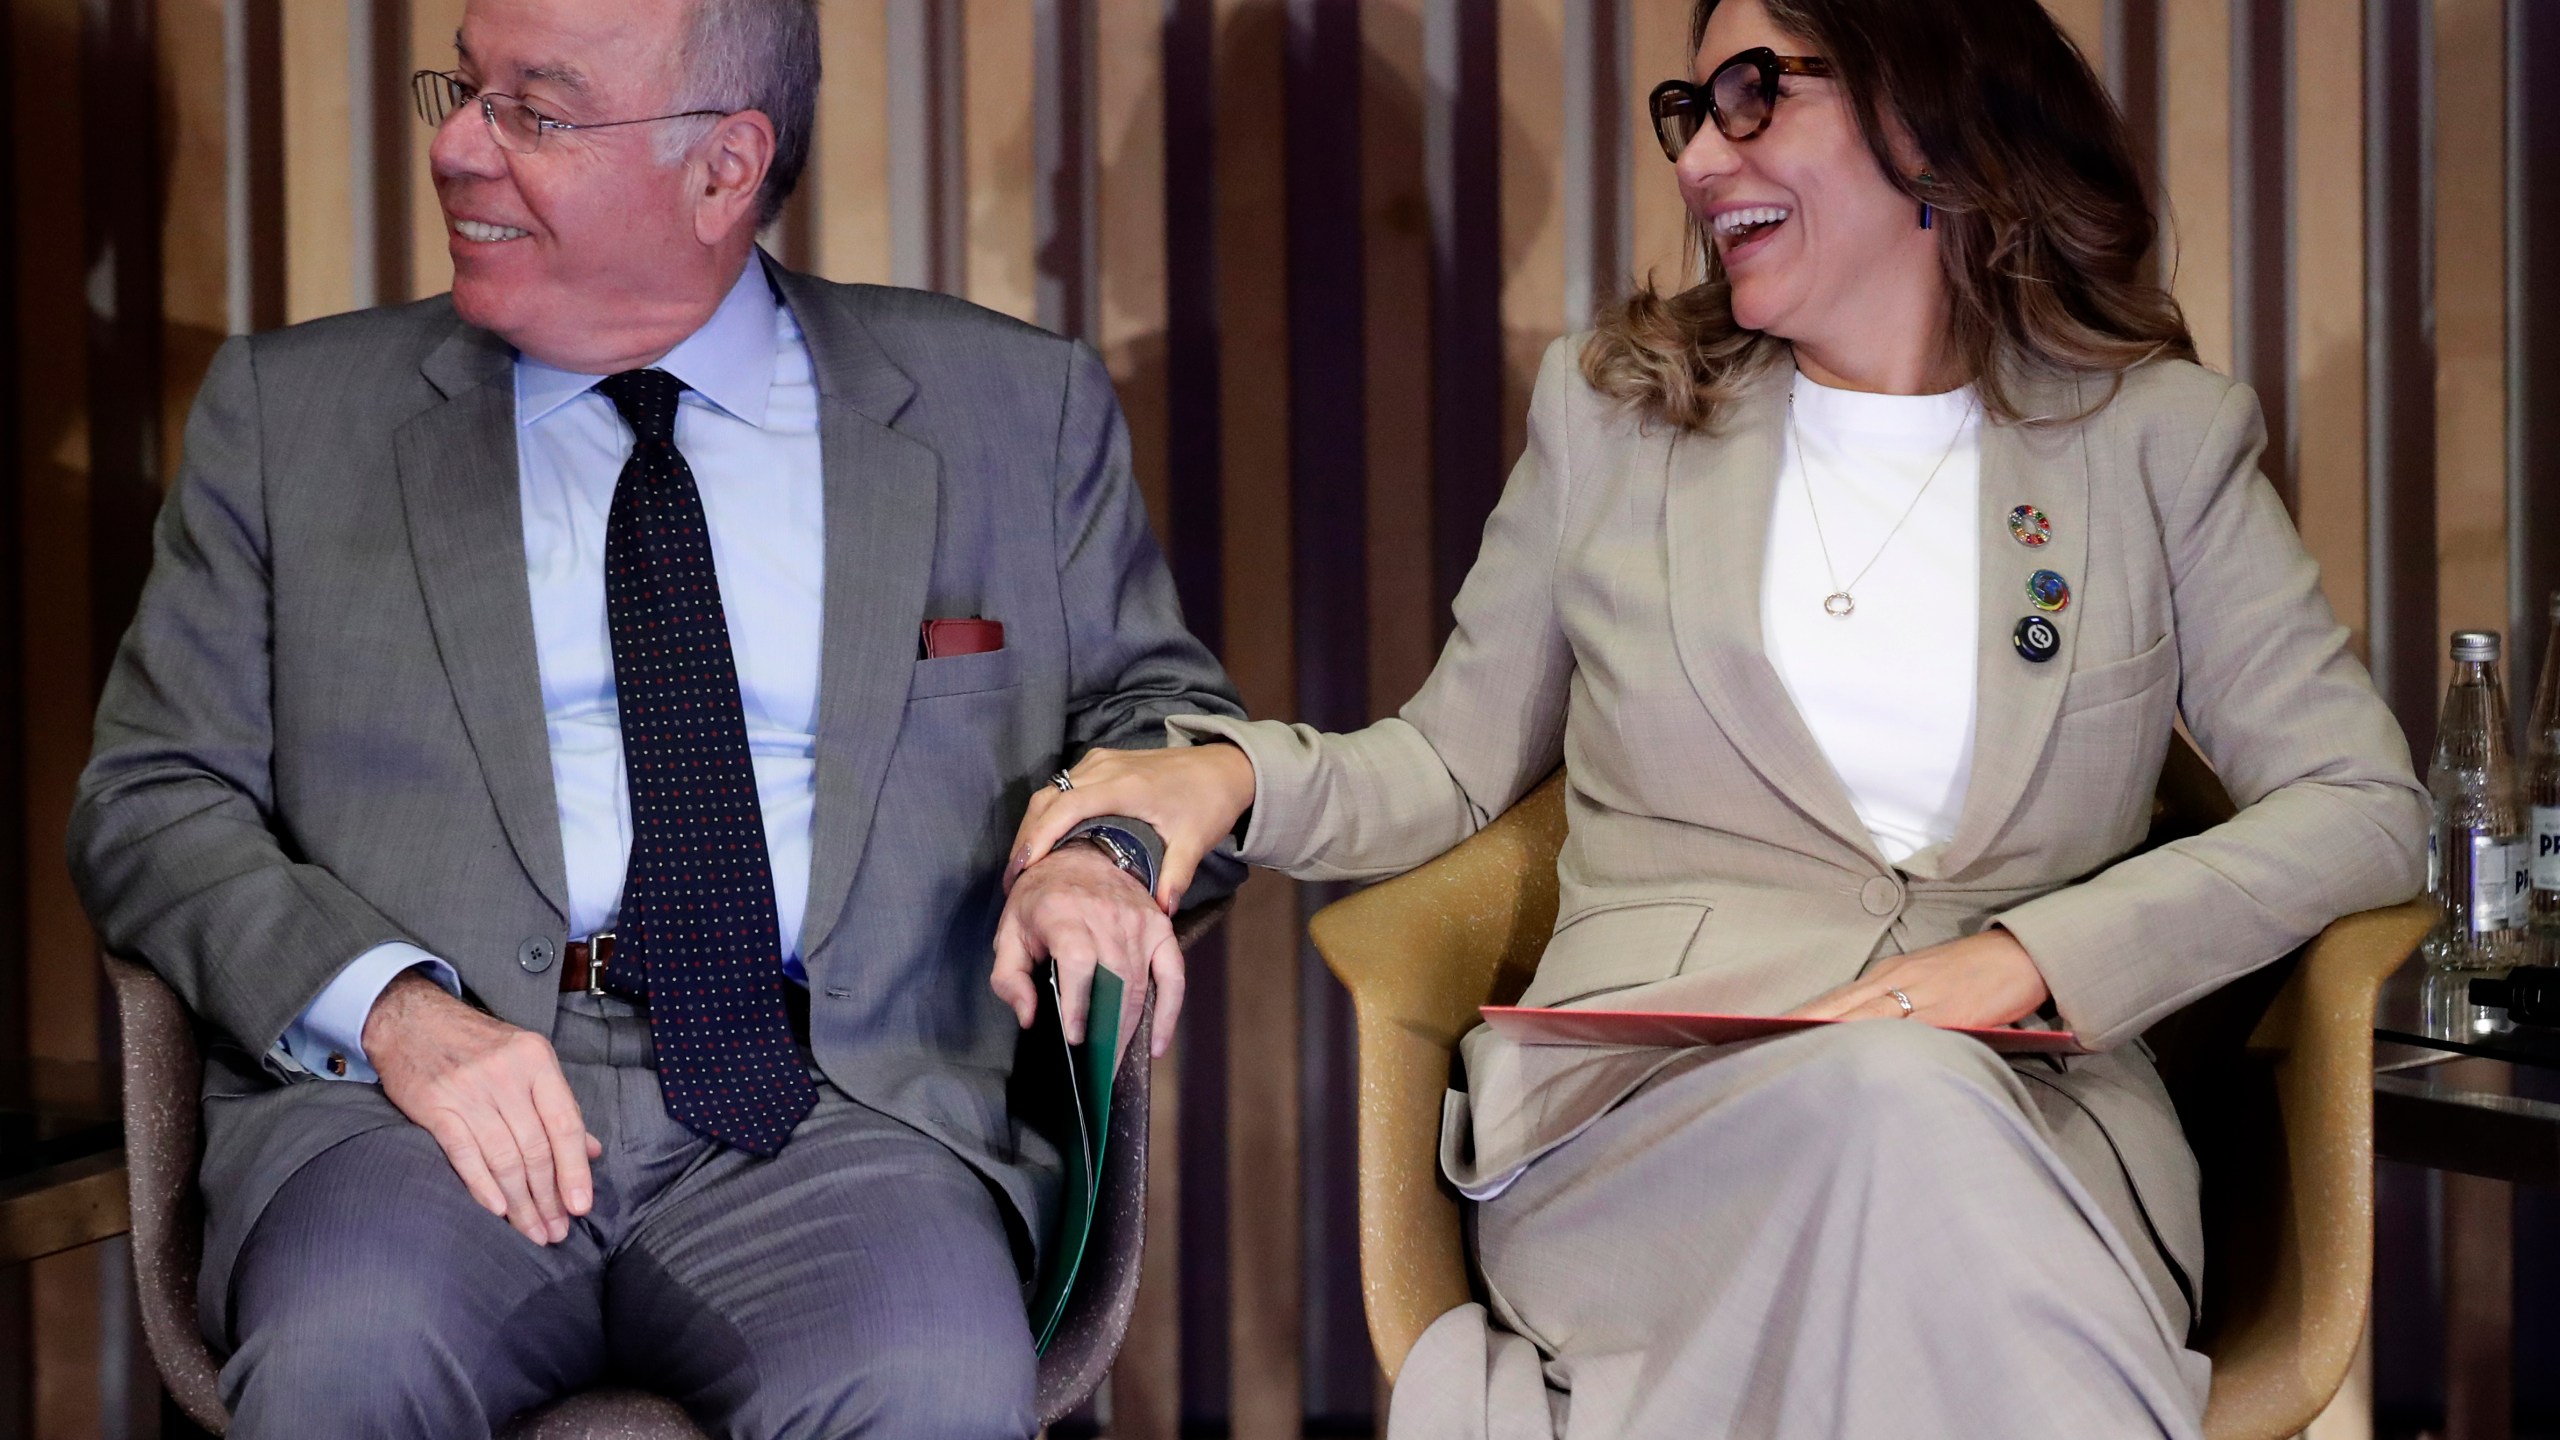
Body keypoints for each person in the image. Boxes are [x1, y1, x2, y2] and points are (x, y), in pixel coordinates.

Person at [1003, 0, 2427, 1434]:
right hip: (1646, 1123)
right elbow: (1444, 763)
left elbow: (2365, 807)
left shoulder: (2157, 442)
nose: (1697, 158)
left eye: (1756, 94)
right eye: (1691, 111)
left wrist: (2026, 958)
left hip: (2032, 1136)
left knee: (1912, 1121)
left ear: (1934, 114)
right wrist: (1227, 779)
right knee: (1893, 1117)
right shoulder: (1616, 417)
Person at [67, 0, 1235, 1433]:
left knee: (930, 1383)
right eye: (465, 89)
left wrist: (1098, 854)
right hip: (412, 1121)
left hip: (843, 1107)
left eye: (534, 112)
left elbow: (1163, 718)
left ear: (723, 167)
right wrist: (391, 1010)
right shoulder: (287, 419)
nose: (455, 148)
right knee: (343, 1362)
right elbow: (149, 801)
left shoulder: (1012, 408)